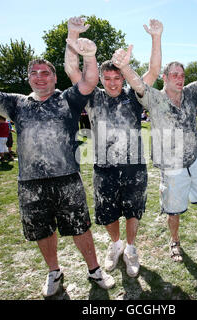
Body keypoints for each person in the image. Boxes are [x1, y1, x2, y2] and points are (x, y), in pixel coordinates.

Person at [0, 35, 115, 298]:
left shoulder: (67, 100)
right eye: (34, 73)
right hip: (30, 183)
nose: (40, 77)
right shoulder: (16, 103)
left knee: (80, 227)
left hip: (67, 178)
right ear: (28, 78)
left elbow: (90, 80)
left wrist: (90, 55)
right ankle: (54, 272)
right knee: (42, 230)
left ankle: (94, 270)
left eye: (45, 72)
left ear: (54, 77)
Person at [110, 25, 197, 266]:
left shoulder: (191, 93)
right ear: (164, 78)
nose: (179, 78)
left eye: (181, 74)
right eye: (173, 74)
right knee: (173, 211)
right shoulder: (155, 98)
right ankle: (174, 241)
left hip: (194, 160)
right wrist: (124, 67)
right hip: (171, 165)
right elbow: (138, 84)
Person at [65, 17, 163, 277]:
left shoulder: (133, 97)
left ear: (122, 78)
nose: (111, 82)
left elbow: (153, 71)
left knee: (133, 211)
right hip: (104, 168)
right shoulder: (93, 97)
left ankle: (130, 248)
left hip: (133, 167)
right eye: (106, 78)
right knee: (108, 214)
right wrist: (73, 36)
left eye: (116, 77)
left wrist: (156, 37)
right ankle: (116, 244)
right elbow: (72, 70)